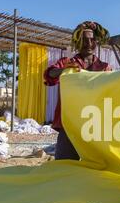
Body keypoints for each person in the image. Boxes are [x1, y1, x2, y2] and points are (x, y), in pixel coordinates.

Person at [44, 21, 112, 160]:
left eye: (92, 40)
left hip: (94, 125)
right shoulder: (67, 62)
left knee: (96, 167)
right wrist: (65, 70)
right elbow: (49, 75)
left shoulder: (105, 68)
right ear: (77, 42)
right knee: (64, 165)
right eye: (84, 40)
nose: (88, 44)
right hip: (69, 126)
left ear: (97, 42)